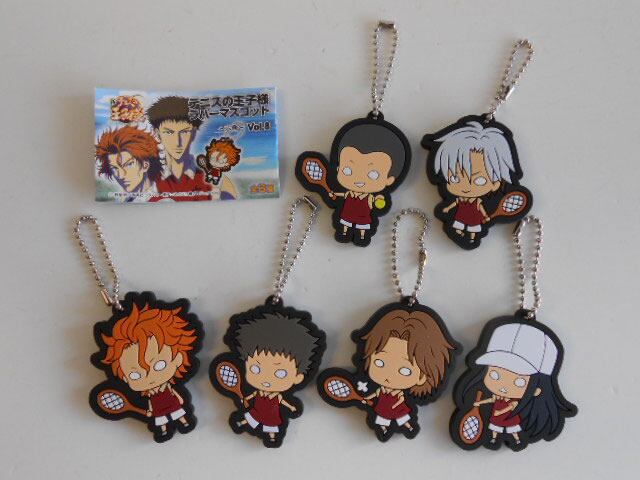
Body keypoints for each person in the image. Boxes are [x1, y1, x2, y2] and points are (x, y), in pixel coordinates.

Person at [456, 321, 577, 449]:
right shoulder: (497, 397)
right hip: (497, 418)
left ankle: (516, 440)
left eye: (519, 382)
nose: (503, 387)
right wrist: (480, 403)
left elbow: (508, 407)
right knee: (496, 428)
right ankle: (494, 438)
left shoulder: (514, 403)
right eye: (495, 375)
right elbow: (490, 400)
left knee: (512, 430)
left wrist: (500, 411)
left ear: (537, 388)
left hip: (508, 418)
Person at [221, 311, 324, 447]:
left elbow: (284, 403)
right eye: (255, 369)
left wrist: (291, 407)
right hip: (257, 410)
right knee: (252, 417)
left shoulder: (277, 396)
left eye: (280, 373)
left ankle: (272, 437)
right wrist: (245, 399)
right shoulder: (257, 392)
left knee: (271, 425)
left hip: (271, 414)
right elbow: (251, 396)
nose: (266, 379)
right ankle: (244, 423)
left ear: (298, 377)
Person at [99, 302, 199, 441]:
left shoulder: (168, 387)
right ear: (125, 379)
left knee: (178, 414)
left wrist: (180, 400)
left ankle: (184, 423)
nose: (149, 378)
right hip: (159, 409)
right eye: (135, 375)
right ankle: (164, 431)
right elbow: (151, 404)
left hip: (173, 404)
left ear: (177, 358)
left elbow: (177, 395)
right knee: (161, 420)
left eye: (159, 365)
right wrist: (151, 411)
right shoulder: (150, 394)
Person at [359, 308, 456, 439]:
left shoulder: (399, 393)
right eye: (379, 363)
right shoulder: (380, 389)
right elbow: (374, 394)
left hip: (397, 408)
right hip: (383, 408)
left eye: (405, 371)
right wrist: (367, 398)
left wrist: (396, 404)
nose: (388, 376)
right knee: (382, 419)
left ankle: (408, 427)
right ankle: (384, 429)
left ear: (422, 377)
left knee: (402, 418)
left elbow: (400, 399)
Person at [429, 120, 518, 242]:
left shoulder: (478, 201)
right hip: (461, 216)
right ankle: (465, 234)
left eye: (479, 180)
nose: (466, 187)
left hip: (474, 218)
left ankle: (471, 238)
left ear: (495, 183)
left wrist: (486, 216)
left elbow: (481, 209)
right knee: (460, 224)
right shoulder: (460, 199)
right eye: (455, 178)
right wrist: (448, 209)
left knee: (473, 228)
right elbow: (454, 204)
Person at [328, 123, 408, 244]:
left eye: (373, 175)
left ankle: (361, 236)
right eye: (348, 170)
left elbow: (379, 205)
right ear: (338, 169)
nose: (358, 179)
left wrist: (379, 202)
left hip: (363, 214)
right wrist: (334, 195)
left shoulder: (370, 197)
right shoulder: (349, 193)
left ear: (389, 180)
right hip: (347, 212)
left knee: (362, 225)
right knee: (346, 222)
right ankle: (345, 232)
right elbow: (340, 195)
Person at [146, 96, 211, 201]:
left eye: (184, 132)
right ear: (157, 134)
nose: (177, 142)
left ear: (194, 133)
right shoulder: (146, 177)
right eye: (169, 132)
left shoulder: (208, 177)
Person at [95, 125, 162, 202]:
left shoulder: (160, 199)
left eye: (128, 165)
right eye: (114, 168)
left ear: (145, 165)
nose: (120, 175)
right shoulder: (123, 199)